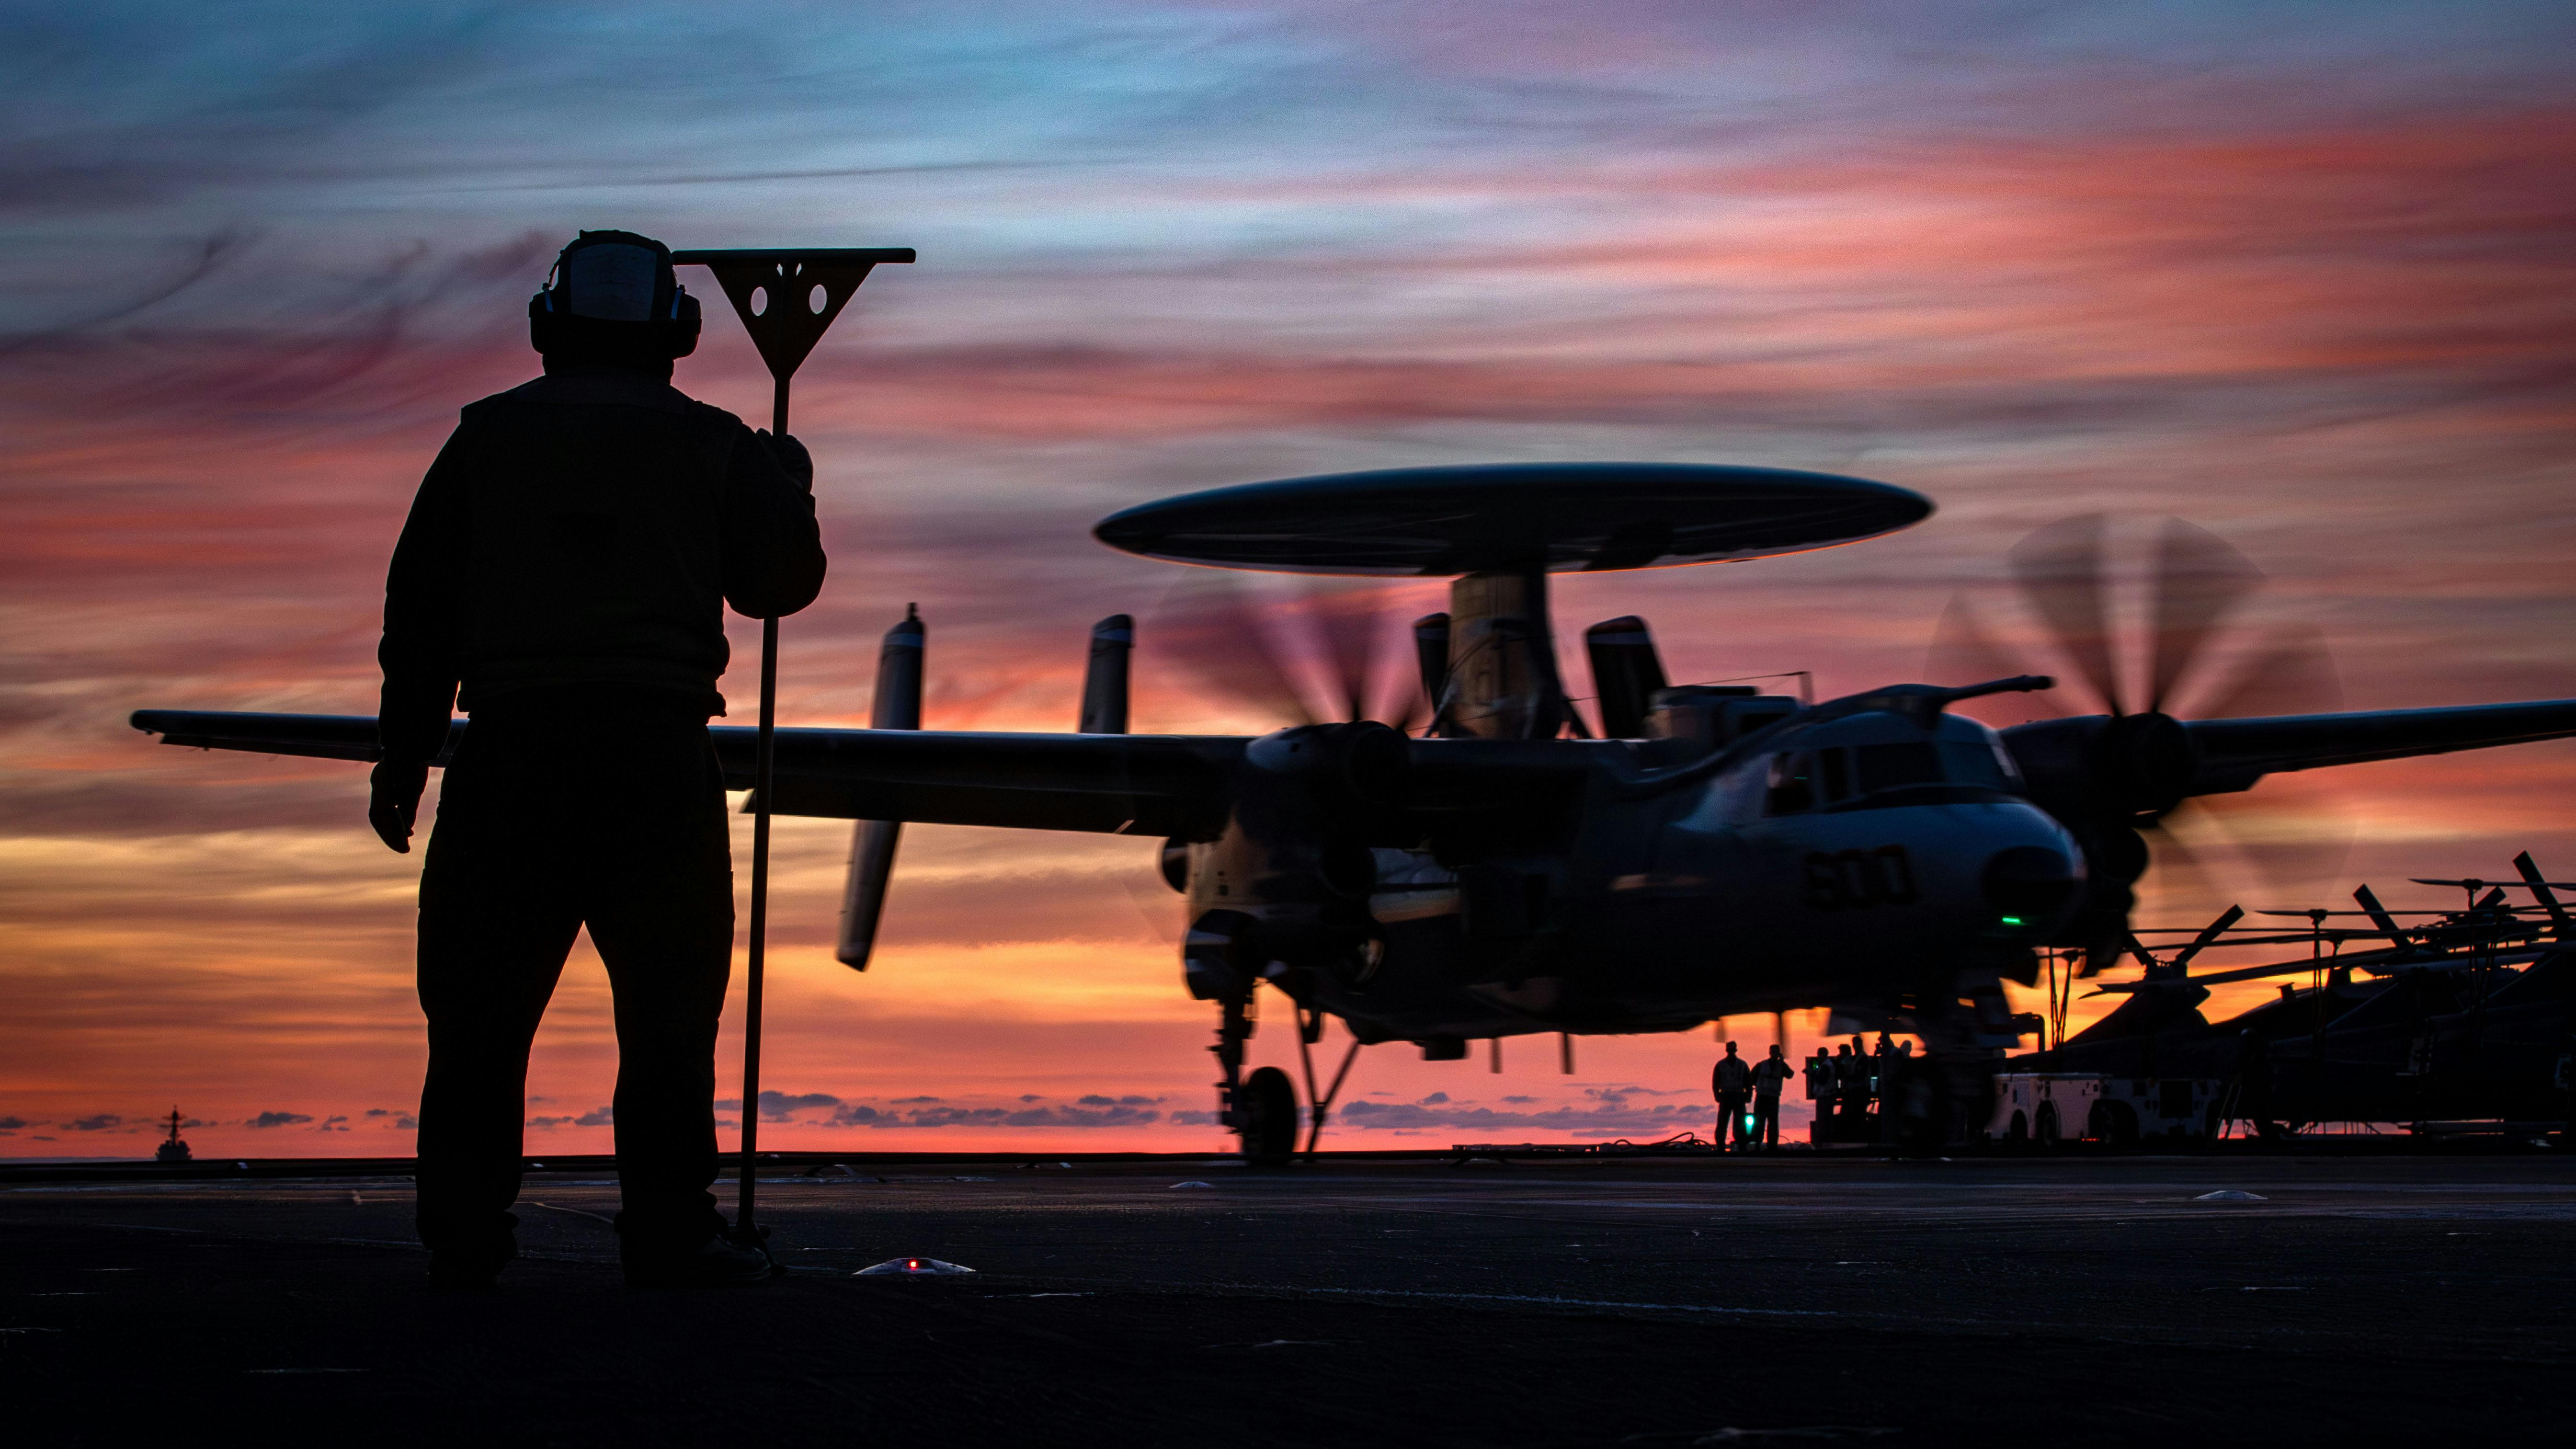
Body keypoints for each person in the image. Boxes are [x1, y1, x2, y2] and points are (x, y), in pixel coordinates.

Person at [369, 230, 827, 1289]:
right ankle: (669, 1233)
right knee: (667, 1024)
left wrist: (404, 758)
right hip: (656, 765)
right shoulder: (715, 445)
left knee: (478, 1020)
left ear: (547, 326)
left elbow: (421, 615)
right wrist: (789, 485)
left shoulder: (483, 440)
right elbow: (779, 588)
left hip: (510, 761)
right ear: (674, 331)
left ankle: (466, 1234)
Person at [1750, 1043, 1793, 1151]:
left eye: (1776, 1052)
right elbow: (1751, 1077)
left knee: (1773, 1123)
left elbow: (1790, 1075)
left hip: (1773, 1098)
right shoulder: (1761, 1065)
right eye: (1773, 1052)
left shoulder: (1781, 1066)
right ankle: (1758, 1144)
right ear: (1770, 1053)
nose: (1774, 1054)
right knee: (1759, 1122)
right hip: (1762, 1097)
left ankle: (1772, 1146)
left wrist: (1782, 1063)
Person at [1712, 1040, 1752, 1151]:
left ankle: (1742, 1144)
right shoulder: (1721, 1065)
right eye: (1729, 1050)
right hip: (1726, 1096)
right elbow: (1716, 1081)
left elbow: (1748, 1081)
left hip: (1739, 1096)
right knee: (1722, 1122)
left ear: (1735, 1050)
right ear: (1727, 1051)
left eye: (1732, 1050)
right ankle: (1720, 1145)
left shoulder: (1742, 1065)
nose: (1731, 1052)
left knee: (1740, 1123)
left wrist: (1748, 1095)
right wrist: (1717, 1095)